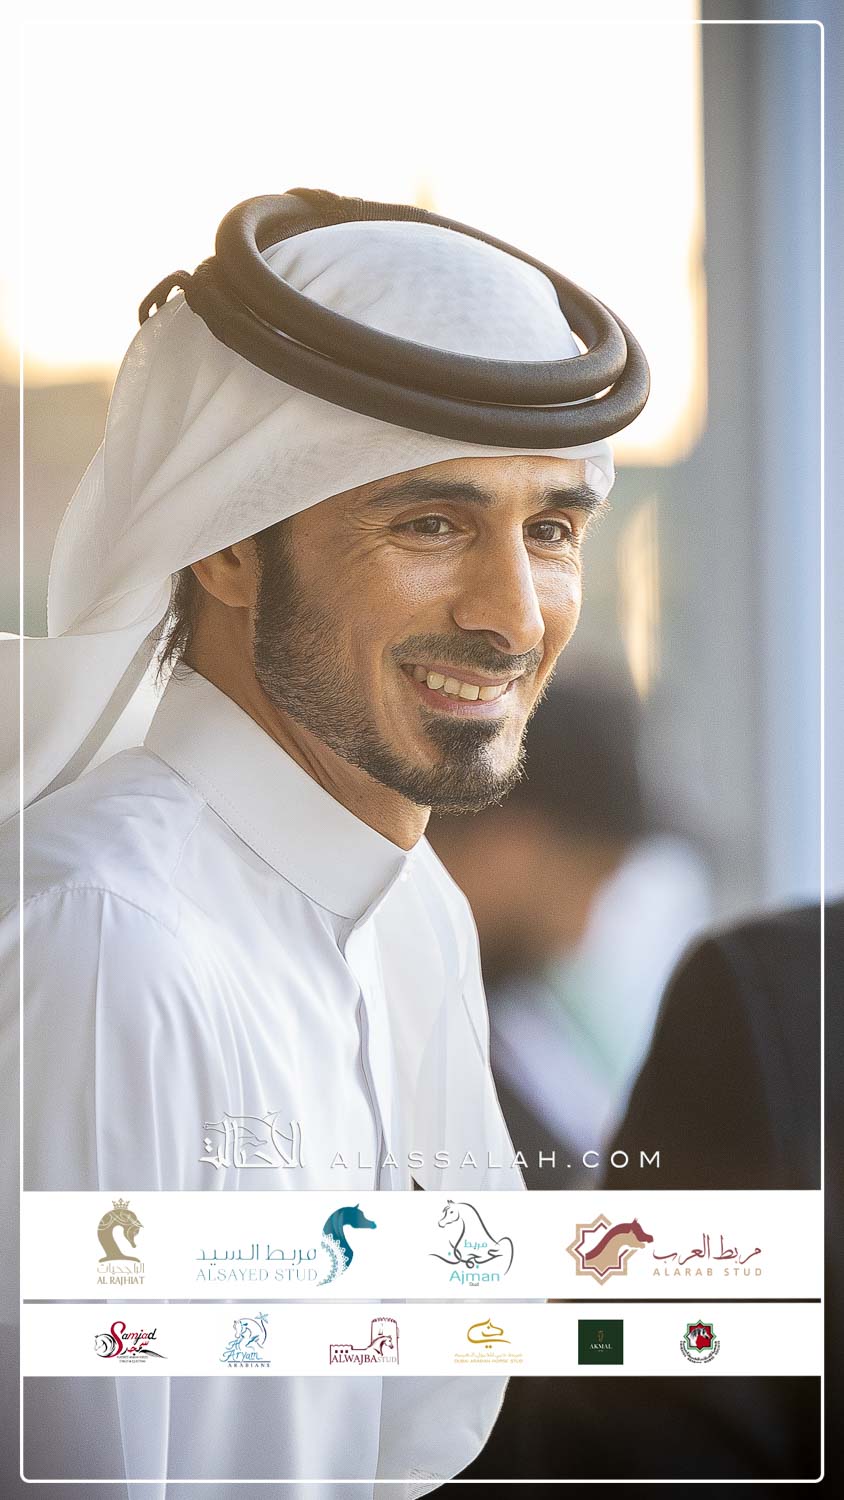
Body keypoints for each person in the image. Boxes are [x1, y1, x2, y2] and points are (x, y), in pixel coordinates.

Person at [0, 188, 649, 1497]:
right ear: (230, 551)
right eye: (430, 524)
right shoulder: (110, 944)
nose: (516, 617)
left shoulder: (408, 917)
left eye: (550, 531)